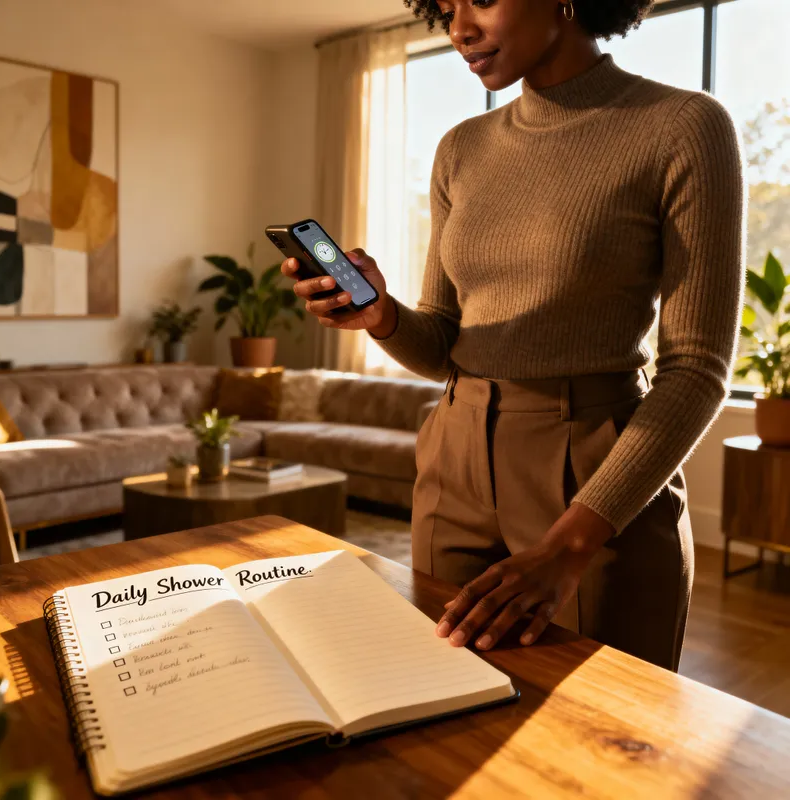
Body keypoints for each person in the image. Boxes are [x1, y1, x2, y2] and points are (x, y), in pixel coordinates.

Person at [281, 0, 745, 671]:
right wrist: (378, 314)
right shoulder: (461, 149)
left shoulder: (682, 127)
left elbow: (698, 369)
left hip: (595, 479)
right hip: (452, 464)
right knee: (448, 711)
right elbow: (444, 343)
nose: (459, 27)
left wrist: (571, 545)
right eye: (444, 8)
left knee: (601, 746)